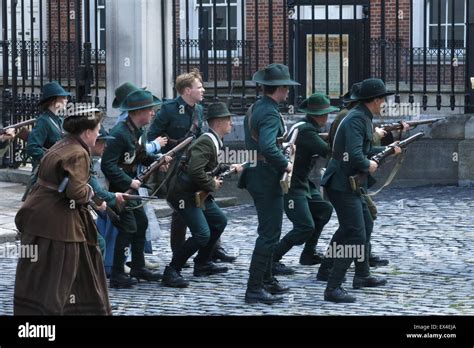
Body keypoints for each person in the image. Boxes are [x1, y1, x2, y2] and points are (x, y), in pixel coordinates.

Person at [14, 108, 111, 315]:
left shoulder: (63, 144)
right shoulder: (78, 153)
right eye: (97, 130)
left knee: (39, 271)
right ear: (86, 132)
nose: (98, 135)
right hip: (58, 223)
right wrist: (90, 192)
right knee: (61, 274)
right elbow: (76, 191)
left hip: (38, 214)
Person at [320, 78, 402, 303]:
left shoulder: (362, 117)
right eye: (382, 99)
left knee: (363, 225)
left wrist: (387, 149)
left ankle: (362, 275)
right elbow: (356, 155)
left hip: (349, 182)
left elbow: (364, 149)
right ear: (374, 100)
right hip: (342, 183)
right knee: (355, 233)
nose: (384, 103)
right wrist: (368, 165)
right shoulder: (357, 119)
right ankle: (333, 287)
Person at [147, 69, 236, 264]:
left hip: (194, 164)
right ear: (187, 90)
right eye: (199, 87)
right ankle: (178, 253)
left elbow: (198, 139)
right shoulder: (169, 109)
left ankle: (213, 249)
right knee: (181, 211)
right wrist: (160, 157)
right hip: (173, 167)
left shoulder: (199, 109)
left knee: (205, 200)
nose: (203, 90)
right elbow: (151, 135)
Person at [162, 102, 242, 288]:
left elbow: (207, 167)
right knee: (202, 234)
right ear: (219, 122)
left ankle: (203, 263)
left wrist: (227, 168)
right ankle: (172, 270)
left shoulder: (214, 140)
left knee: (219, 221)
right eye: (228, 119)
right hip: (184, 194)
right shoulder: (207, 141)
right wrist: (212, 184)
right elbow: (194, 171)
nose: (231, 123)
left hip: (196, 193)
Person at [240, 63, 299, 304]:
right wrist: (284, 164)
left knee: (269, 232)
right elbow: (266, 146)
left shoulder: (258, 107)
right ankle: (254, 288)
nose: (288, 92)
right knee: (269, 234)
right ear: (279, 88)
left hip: (258, 173)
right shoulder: (270, 112)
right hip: (265, 176)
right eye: (286, 88)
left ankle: (266, 280)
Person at [101, 89, 164, 288]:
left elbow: (139, 155)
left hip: (131, 187)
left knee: (142, 223)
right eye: (150, 110)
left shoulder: (136, 131)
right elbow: (107, 165)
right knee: (127, 227)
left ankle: (137, 266)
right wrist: (128, 183)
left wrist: (157, 160)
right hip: (121, 189)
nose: (153, 113)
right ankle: (118, 273)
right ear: (138, 112)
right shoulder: (120, 133)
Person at [272, 93, 337, 275]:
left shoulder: (306, 127)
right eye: (325, 113)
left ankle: (308, 253)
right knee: (304, 227)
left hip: (302, 182)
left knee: (324, 210)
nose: (327, 117)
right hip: (292, 184)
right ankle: (272, 259)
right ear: (317, 115)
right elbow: (328, 151)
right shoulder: (307, 131)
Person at [23, 81, 70, 201]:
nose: (66, 100)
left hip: (56, 173)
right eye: (63, 97)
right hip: (45, 173)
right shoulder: (43, 121)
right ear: (54, 100)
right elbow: (32, 147)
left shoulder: (58, 120)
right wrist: (52, 159)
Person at [89, 126, 125, 268]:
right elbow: (96, 190)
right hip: (62, 209)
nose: (106, 145)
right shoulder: (82, 157)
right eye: (102, 141)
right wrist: (115, 197)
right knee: (97, 243)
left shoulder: (87, 157)